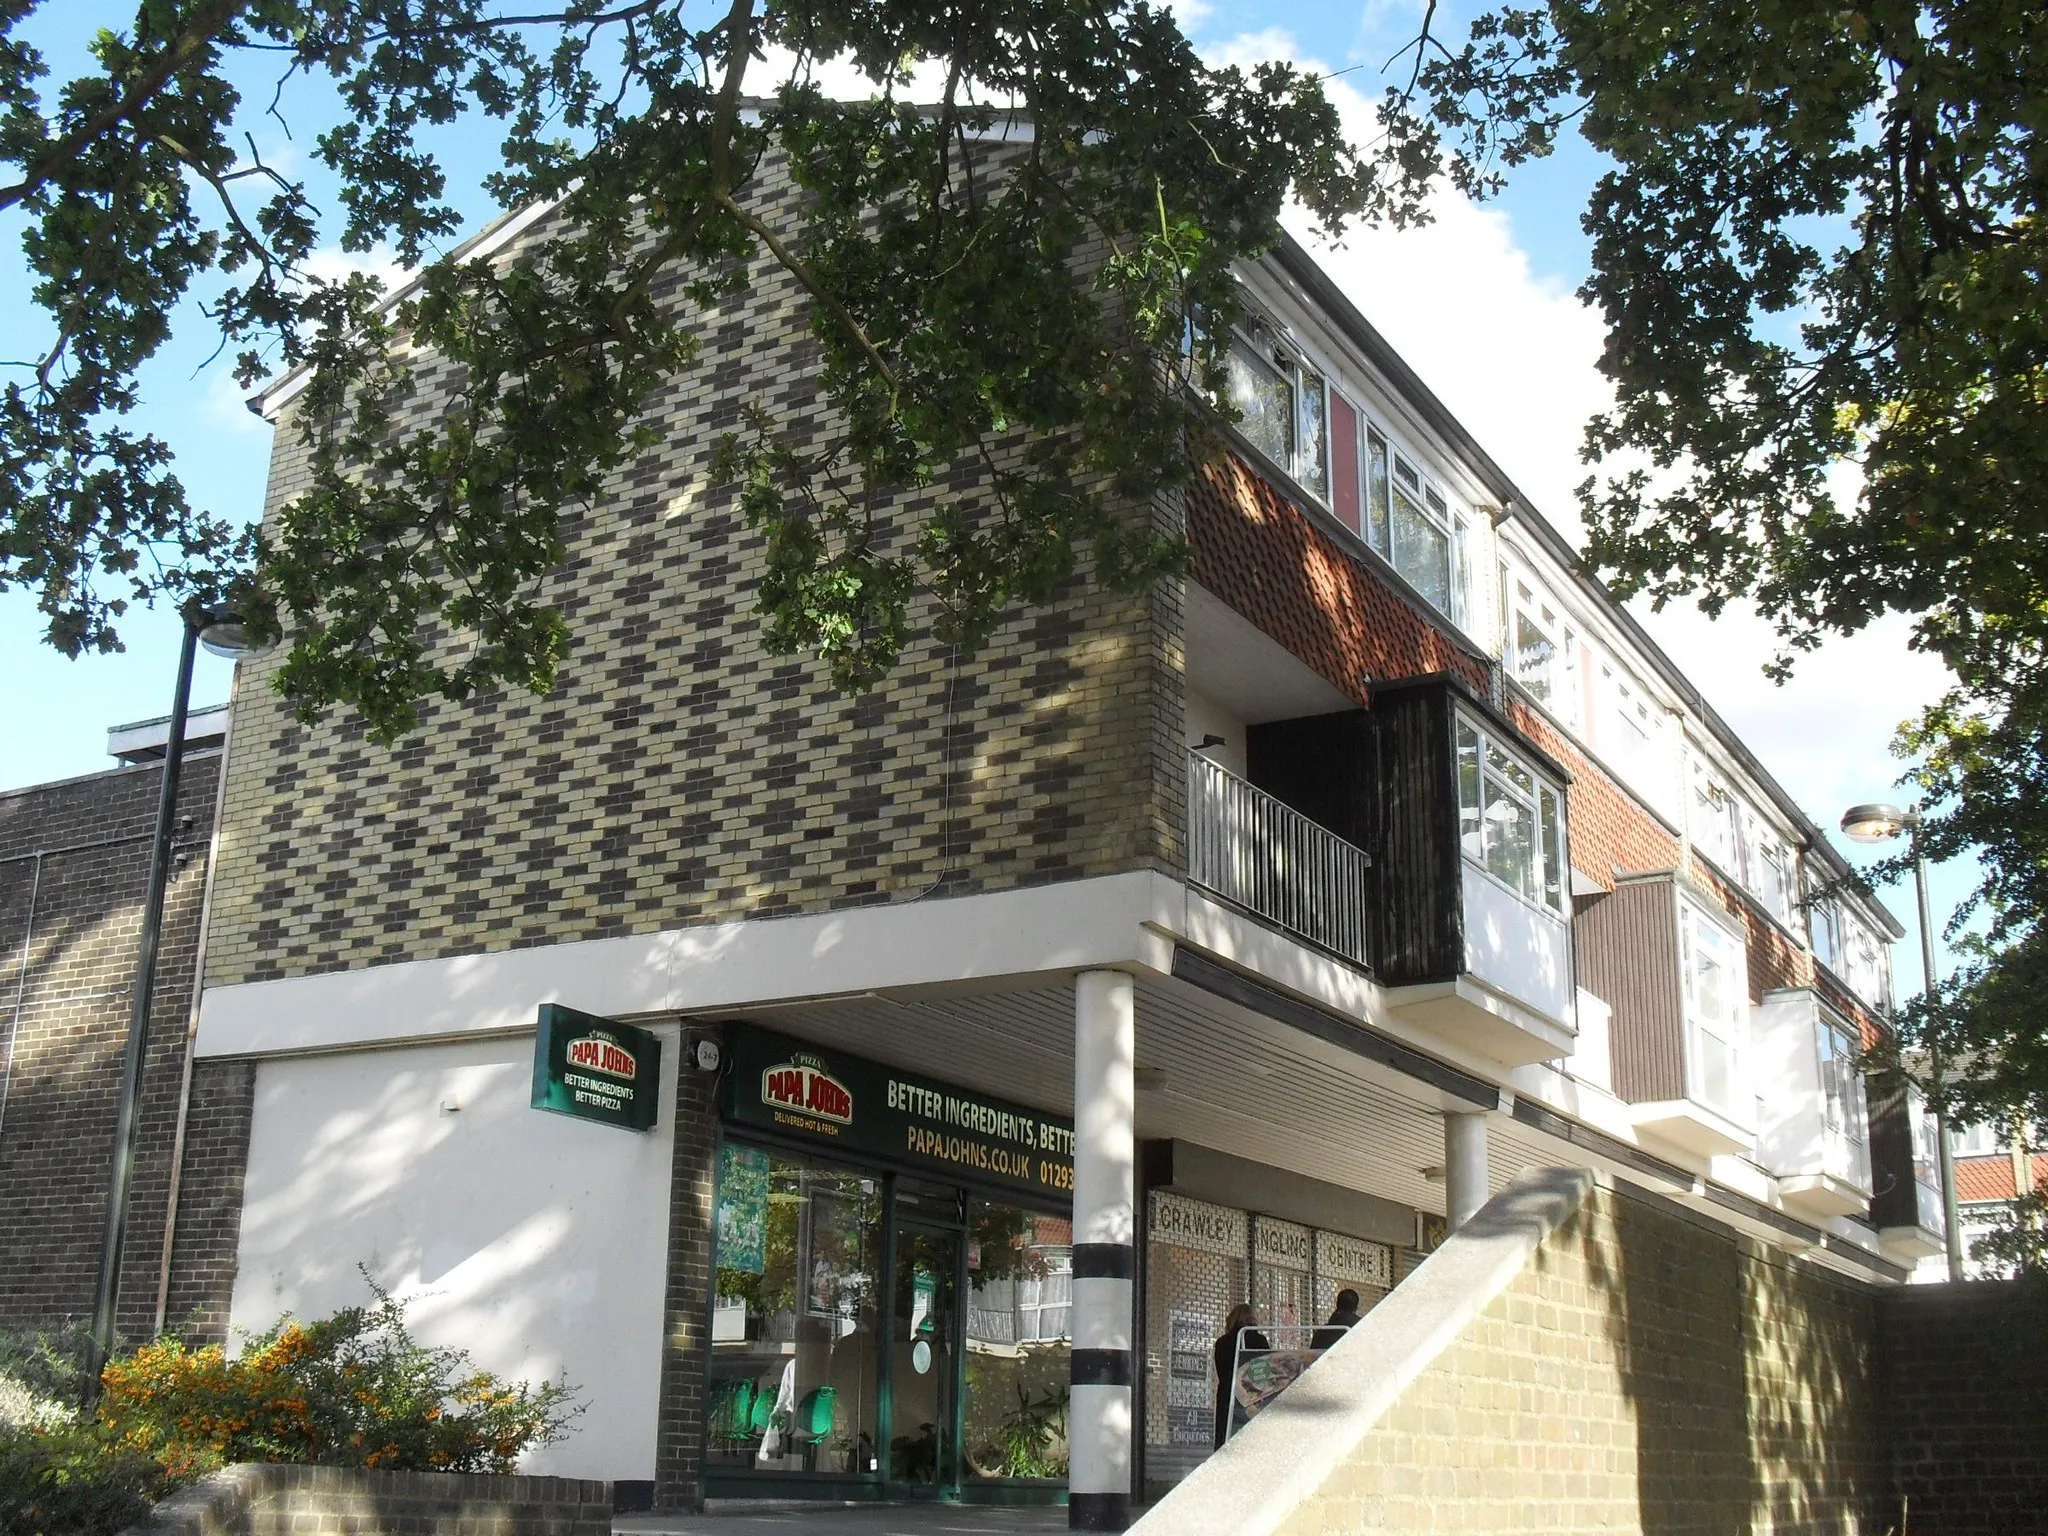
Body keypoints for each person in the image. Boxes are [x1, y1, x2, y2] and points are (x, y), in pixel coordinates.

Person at [1212, 1302, 1268, 1450]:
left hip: (1227, 1399)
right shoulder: (1259, 1341)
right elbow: (1266, 1374)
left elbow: (1221, 1373)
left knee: (1226, 1443)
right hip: (1252, 1399)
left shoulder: (1222, 1343)